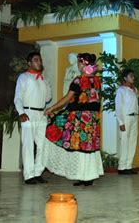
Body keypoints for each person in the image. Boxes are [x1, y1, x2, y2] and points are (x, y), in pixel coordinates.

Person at [44, 53, 103, 186]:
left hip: (80, 118)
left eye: (80, 63)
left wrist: (52, 108)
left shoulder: (79, 80)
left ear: (85, 64)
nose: (78, 65)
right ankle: (88, 176)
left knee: (81, 144)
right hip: (93, 119)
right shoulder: (97, 80)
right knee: (89, 145)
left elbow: (66, 98)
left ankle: (84, 176)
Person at [14, 52, 52, 184]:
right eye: (36, 60)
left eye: (40, 60)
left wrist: (46, 84)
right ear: (29, 63)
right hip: (28, 113)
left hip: (41, 115)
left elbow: (48, 98)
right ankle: (29, 175)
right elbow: (18, 97)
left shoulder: (43, 79)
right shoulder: (23, 77)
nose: (39, 62)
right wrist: (21, 112)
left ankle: (37, 172)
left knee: (43, 145)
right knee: (28, 145)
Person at [115, 69, 139, 175]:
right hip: (126, 118)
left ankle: (128, 166)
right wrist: (121, 122)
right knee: (124, 142)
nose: (133, 78)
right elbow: (118, 107)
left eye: (133, 76)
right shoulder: (121, 90)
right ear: (125, 78)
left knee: (132, 142)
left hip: (135, 117)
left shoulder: (134, 90)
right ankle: (122, 167)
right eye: (131, 76)